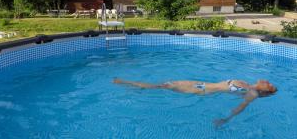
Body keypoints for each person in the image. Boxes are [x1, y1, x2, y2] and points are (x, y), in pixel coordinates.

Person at [113, 78, 277, 127]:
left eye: (270, 85)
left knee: (162, 86)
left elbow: (240, 107)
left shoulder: (252, 93)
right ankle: (134, 87)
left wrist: (225, 120)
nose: (268, 81)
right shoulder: (248, 85)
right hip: (199, 83)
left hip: (201, 89)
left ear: (264, 91)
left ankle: (132, 85)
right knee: (164, 85)